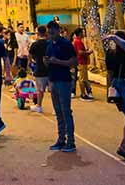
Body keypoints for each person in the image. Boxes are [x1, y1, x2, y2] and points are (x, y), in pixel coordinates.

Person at [45, 20, 78, 152]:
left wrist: (58, 61)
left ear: (58, 31)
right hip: (52, 80)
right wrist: (46, 62)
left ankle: (70, 141)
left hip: (64, 81)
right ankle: (60, 139)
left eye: (53, 32)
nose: (51, 35)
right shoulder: (49, 45)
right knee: (58, 112)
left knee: (66, 111)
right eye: (49, 33)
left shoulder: (66, 44)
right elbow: (48, 61)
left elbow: (74, 62)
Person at [103, 32, 125, 160]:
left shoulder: (111, 54)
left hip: (116, 84)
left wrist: (109, 90)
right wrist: (115, 37)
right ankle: (123, 146)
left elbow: (109, 74)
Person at [27, 25, 49, 113]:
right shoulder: (49, 43)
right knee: (53, 91)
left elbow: (30, 55)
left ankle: (39, 106)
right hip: (50, 69)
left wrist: (31, 62)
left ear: (38, 33)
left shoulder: (35, 44)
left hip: (40, 69)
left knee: (40, 90)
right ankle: (56, 108)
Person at [72, 28, 94, 100]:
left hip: (82, 61)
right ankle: (83, 93)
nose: (84, 34)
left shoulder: (77, 41)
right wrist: (89, 52)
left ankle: (85, 92)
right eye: (83, 32)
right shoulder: (78, 42)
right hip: (81, 61)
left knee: (84, 78)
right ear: (80, 33)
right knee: (82, 78)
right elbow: (80, 52)